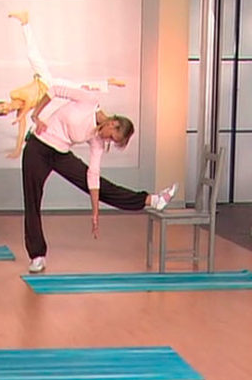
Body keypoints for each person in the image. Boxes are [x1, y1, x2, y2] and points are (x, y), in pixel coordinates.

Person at [23, 84, 178, 273]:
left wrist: (95, 211)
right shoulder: (88, 100)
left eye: (113, 141)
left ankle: (152, 200)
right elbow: (54, 90)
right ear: (113, 123)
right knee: (32, 200)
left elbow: (93, 176)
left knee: (102, 186)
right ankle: (37, 256)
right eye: (112, 137)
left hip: (61, 153)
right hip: (38, 147)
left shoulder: (98, 141)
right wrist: (35, 115)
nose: (108, 140)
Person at [0, 11, 126, 159]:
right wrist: (17, 150)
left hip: (45, 81)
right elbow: (21, 132)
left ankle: (25, 22)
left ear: (4, 102)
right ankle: (108, 82)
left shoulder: (14, 95)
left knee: (33, 56)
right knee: (81, 90)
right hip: (49, 89)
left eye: (3, 106)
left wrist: (24, 114)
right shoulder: (20, 113)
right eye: (4, 112)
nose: (6, 109)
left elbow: (29, 100)